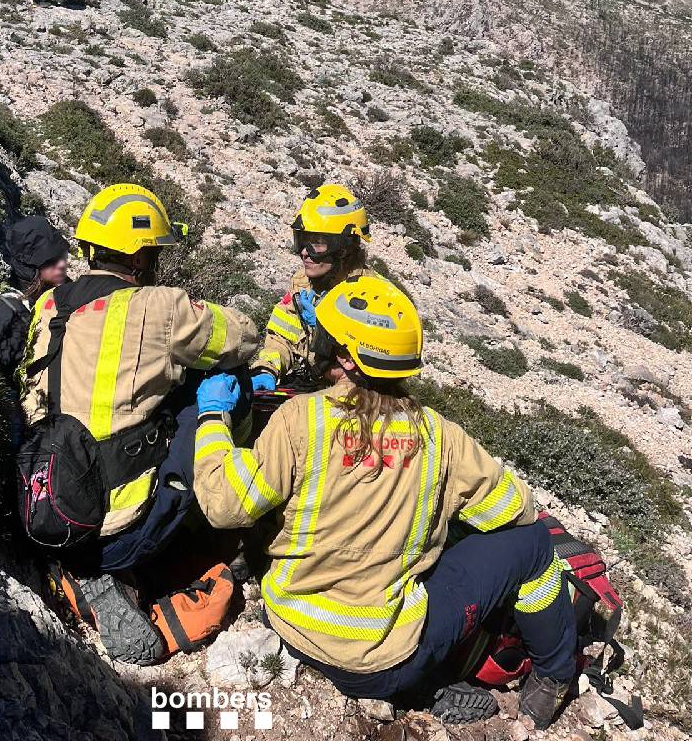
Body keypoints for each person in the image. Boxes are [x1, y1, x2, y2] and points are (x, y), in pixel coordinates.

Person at [193, 274, 577, 731]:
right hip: (386, 658)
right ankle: (553, 679)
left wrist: (213, 417)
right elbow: (514, 511)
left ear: (343, 356)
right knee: (534, 544)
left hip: (293, 628)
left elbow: (223, 503)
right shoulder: (439, 436)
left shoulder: (301, 419)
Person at [18, 181, 257, 664]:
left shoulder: (48, 306)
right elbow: (243, 338)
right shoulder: (159, 308)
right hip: (119, 530)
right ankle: (219, 515)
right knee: (218, 393)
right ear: (142, 258)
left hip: (43, 504)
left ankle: (76, 572)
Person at [249, 183, 375, 393]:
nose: (304, 253)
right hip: (312, 388)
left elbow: (370, 371)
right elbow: (282, 336)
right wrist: (267, 369)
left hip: (356, 397)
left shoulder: (372, 297)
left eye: (316, 243)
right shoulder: (302, 282)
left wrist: (327, 330)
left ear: (344, 248)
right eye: (302, 242)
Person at [0, 215, 71, 380]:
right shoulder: (9, 312)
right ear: (31, 267)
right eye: (51, 261)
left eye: (62, 256)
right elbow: (18, 376)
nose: (62, 264)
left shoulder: (61, 289)